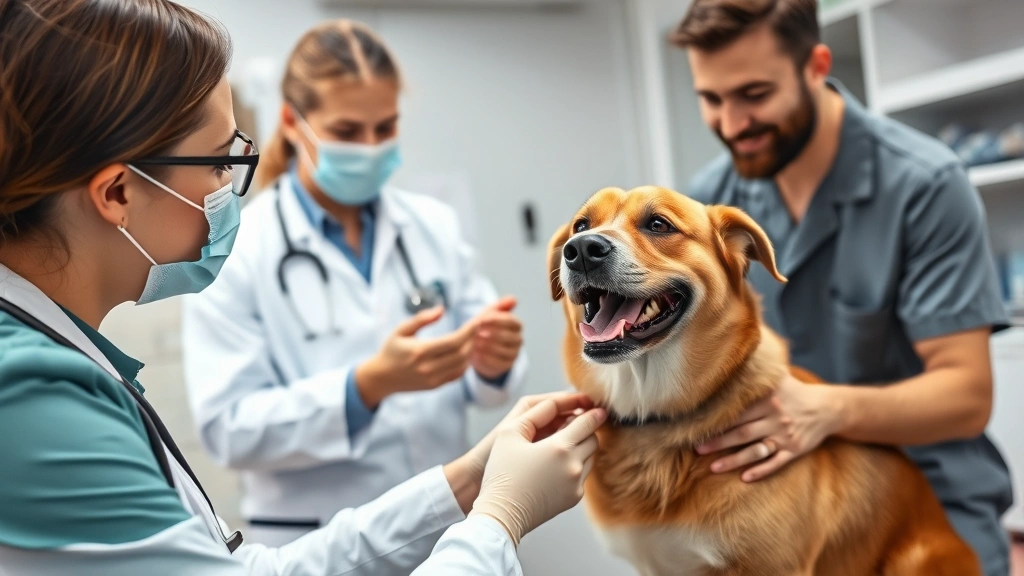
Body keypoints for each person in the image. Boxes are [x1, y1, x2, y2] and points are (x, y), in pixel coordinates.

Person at [0, 1, 604, 574]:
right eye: (220, 165)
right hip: (305, 518)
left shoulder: (427, 225)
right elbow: (230, 426)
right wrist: (499, 514)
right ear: (117, 194)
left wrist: (472, 477)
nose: (226, 193)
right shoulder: (29, 395)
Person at [671, 1, 1014, 574]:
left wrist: (825, 410)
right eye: (712, 99)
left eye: (754, 95)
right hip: (789, 507)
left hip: (929, 507)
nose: (731, 125)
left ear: (816, 66)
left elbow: (966, 398)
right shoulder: (710, 201)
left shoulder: (925, 185)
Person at [181, 19, 529, 546]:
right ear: (293, 124)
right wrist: (365, 387)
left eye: (384, 128)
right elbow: (229, 429)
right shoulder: (239, 248)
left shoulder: (431, 225)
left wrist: (495, 363)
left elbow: (488, 384)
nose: (369, 147)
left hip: (446, 528)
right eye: (347, 132)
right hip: (315, 542)